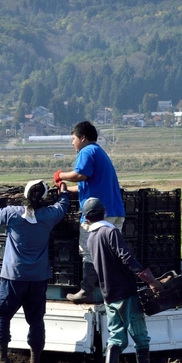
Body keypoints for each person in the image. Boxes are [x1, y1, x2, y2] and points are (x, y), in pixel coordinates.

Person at [0, 179, 69, 363]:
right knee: (36, 319)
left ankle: (2, 356)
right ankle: (35, 361)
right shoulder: (48, 215)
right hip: (38, 277)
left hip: (14, 276)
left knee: (1, 314)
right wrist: (63, 189)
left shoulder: (13, 213)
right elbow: (63, 206)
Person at [81, 197, 161, 363]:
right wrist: (149, 280)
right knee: (140, 335)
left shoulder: (91, 238)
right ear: (104, 212)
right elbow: (127, 257)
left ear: (87, 217)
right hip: (125, 291)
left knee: (116, 337)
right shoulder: (110, 232)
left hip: (108, 294)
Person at [53, 120, 125, 304]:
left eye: (73, 138)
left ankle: (86, 291)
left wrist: (60, 175)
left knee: (89, 251)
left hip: (97, 214)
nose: (72, 143)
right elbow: (88, 184)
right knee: (110, 254)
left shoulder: (86, 151)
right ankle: (110, 291)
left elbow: (80, 175)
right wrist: (67, 190)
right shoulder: (100, 153)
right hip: (115, 212)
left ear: (82, 138)